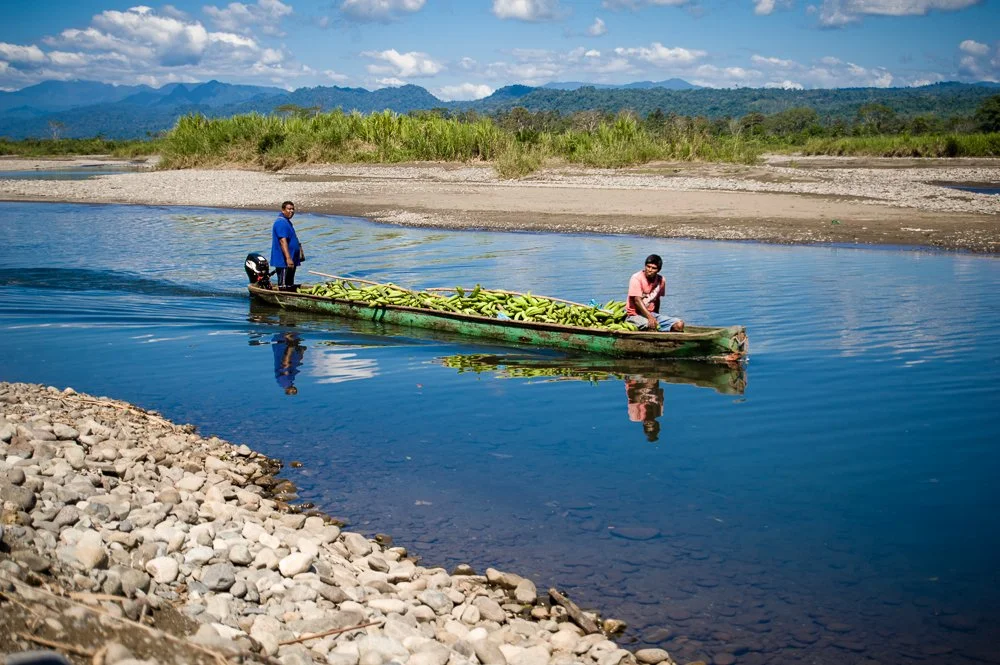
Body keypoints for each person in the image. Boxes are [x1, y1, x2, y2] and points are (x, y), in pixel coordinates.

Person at [625, 254, 684, 332]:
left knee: (679, 324)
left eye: (653, 268)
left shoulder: (661, 280)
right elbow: (637, 300)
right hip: (634, 315)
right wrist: (650, 318)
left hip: (651, 314)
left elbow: (657, 299)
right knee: (651, 325)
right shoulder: (636, 278)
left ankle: (669, 341)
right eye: (648, 266)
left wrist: (656, 316)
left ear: (658, 270)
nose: (650, 270)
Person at [271, 201, 304, 291]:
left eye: (293, 209)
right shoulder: (281, 223)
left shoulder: (287, 222)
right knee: (284, 285)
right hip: (284, 261)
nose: (291, 211)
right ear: (283, 210)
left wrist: (298, 254)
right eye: (289, 209)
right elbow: (283, 241)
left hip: (291, 259)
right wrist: (288, 258)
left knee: (290, 283)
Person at [625, 377, 664, 442]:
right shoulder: (659, 412)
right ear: (656, 423)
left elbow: (633, 397)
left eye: (647, 425)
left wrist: (647, 397)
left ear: (644, 426)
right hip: (650, 385)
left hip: (634, 385)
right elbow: (660, 392)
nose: (649, 423)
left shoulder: (634, 417)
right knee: (652, 382)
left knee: (648, 385)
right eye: (652, 424)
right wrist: (649, 396)